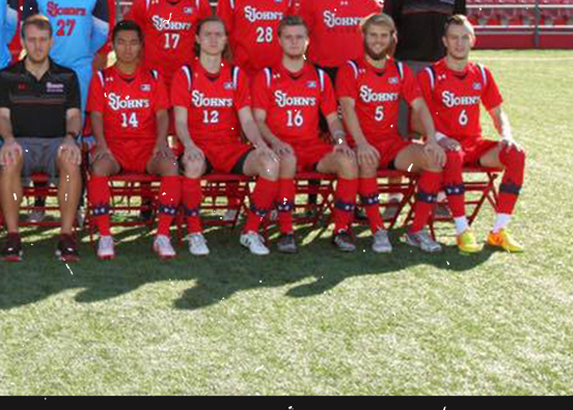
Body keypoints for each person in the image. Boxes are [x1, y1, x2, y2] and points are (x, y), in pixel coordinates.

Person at [405, 15, 528, 254]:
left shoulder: (481, 74)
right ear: (445, 41)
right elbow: (415, 121)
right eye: (453, 38)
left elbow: (497, 112)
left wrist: (507, 135)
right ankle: (463, 230)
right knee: (451, 155)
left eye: (464, 37)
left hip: (474, 145)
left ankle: (498, 231)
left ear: (473, 40)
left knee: (516, 154)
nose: (459, 43)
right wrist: (440, 137)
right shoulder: (430, 75)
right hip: (445, 146)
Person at [336, 13, 448, 254]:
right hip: (362, 143)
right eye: (373, 35)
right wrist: (363, 144)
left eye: (383, 36)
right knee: (366, 161)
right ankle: (378, 229)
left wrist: (431, 139)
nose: (378, 40)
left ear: (391, 39)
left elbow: (419, 106)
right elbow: (347, 109)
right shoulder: (351, 69)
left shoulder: (400, 69)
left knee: (433, 159)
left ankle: (416, 230)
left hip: (392, 144)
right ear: (363, 36)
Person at [169, 16, 280, 258]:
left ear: (226, 40)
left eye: (218, 34)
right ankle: (195, 232)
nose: (213, 39)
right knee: (194, 164)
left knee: (270, 164)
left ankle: (250, 231)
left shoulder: (236, 74)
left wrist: (260, 145)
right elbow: (179, 121)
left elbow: (247, 119)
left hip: (230, 147)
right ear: (197, 39)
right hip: (199, 145)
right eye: (207, 34)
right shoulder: (186, 74)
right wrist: (188, 145)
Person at [248, 15, 358, 254]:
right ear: (279, 41)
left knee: (348, 160)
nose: (294, 42)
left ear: (308, 41)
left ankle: (341, 229)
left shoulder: (319, 77)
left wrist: (340, 140)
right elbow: (259, 121)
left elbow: (332, 119)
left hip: (312, 146)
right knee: (287, 158)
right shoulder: (266, 76)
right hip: (282, 147)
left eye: (299, 37)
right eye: (288, 37)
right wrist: (275, 142)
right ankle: (287, 231)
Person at [84, 20, 179, 261]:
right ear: (113, 45)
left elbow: (161, 114)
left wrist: (160, 142)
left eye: (133, 42)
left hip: (146, 147)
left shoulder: (154, 77)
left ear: (141, 46)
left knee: (170, 166)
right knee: (98, 167)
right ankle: (105, 235)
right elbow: (95, 116)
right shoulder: (102, 79)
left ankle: (163, 235)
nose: (127, 48)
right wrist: (102, 145)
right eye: (122, 42)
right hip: (115, 147)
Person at [0, 15, 85, 262]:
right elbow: (2, 117)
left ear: (51, 41)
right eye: (32, 40)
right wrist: (9, 139)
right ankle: (13, 236)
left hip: (56, 142)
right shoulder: (6, 76)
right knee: (9, 160)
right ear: (22, 41)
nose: (38, 45)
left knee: (71, 159)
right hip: (21, 143)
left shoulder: (67, 76)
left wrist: (70, 138)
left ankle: (66, 236)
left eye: (43, 40)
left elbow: (74, 116)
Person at [382, 0, 468, 135]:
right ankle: (406, 166)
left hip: (442, 69)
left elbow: (460, 34)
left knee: (440, 128)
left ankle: (437, 166)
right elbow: (386, 31)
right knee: (403, 129)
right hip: (406, 67)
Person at [19, 0, 112, 114]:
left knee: (78, 124)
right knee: (47, 126)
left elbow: (101, 34)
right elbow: (26, 30)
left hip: (81, 70)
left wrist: (81, 51)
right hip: (44, 69)